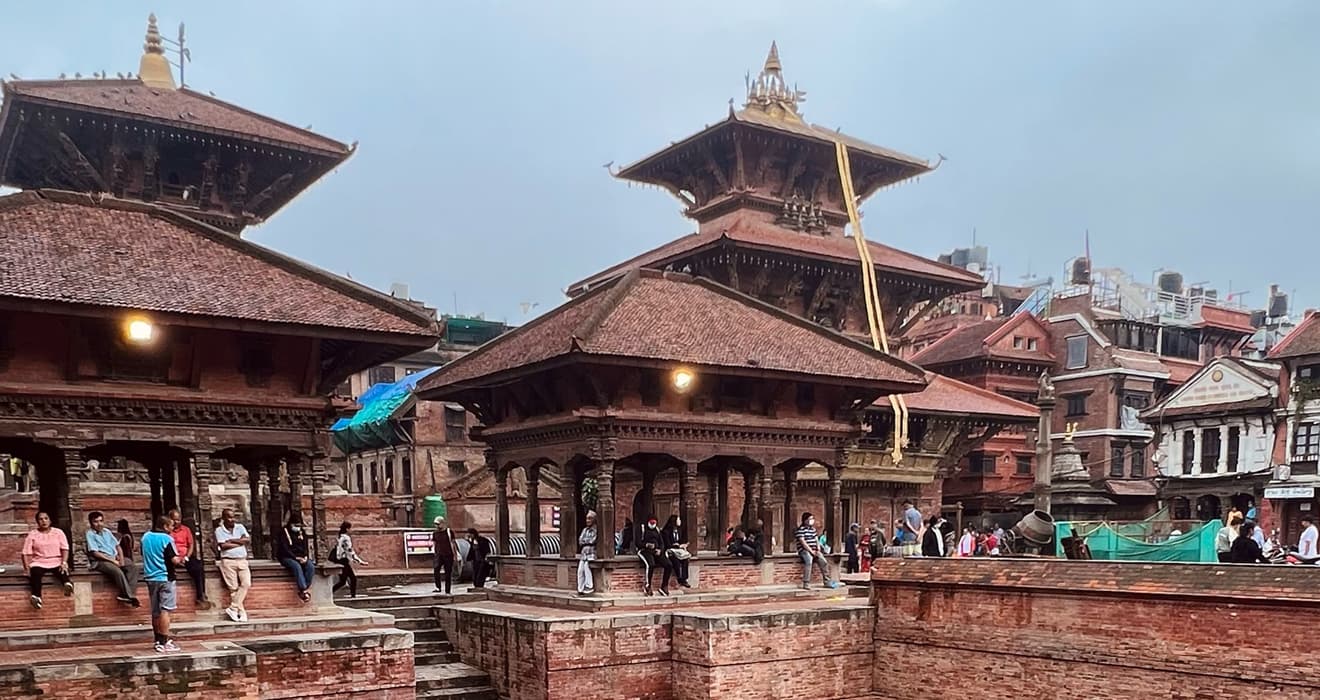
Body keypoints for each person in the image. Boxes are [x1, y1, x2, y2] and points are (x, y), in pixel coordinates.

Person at [142, 514, 184, 653]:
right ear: (165, 526)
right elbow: (174, 560)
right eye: (171, 525)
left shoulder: (146, 537)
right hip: (165, 577)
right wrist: (182, 558)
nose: (173, 528)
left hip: (150, 577)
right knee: (165, 610)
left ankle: (157, 639)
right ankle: (164, 641)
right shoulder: (167, 539)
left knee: (155, 611)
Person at [86, 511, 140, 606]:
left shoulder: (107, 532)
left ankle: (126, 594)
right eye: (96, 522)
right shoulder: (90, 534)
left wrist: (121, 560)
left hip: (114, 557)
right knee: (117, 571)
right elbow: (95, 553)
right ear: (91, 523)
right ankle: (130, 597)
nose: (99, 524)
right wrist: (113, 561)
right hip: (101, 560)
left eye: (101, 521)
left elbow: (118, 546)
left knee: (132, 567)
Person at [21, 511, 72, 609]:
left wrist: (64, 562)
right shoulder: (32, 534)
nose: (43, 521)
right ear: (37, 522)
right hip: (39, 561)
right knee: (35, 573)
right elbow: (25, 553)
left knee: (62, 570)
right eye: (41, 519)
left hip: (56, 560)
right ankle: (37, 597)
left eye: (46, 518)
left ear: (50, 520)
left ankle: (67, 584)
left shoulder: (58, 532)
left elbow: (65, 548)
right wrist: (26, 568)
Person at [215, 508, 252, 623]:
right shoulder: (219, 530)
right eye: (229, 517)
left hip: (242, 560)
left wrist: (232, 540)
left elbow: (247, 540)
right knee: (233, 588)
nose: (231, 520)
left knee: (246, 583)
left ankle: (233, 607)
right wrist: (239, 543)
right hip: (228, 561)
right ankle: (241, 612)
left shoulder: (240, 527)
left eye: (233, 517)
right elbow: (223, 546)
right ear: (224, 518)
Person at [167, 508, 205, 603]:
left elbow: (191, 545)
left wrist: (186, 557)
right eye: (174, 520)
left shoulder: (186, 530)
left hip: (185, 557)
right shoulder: (167, 531)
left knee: (198, 567)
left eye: (178, 520)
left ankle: (200, 595)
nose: (176, 522)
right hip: (172, 557)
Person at [275, 514, 316, 603]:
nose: (297, 528)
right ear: (291, 524)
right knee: (296, 567)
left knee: (310, 566)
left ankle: (305, 587)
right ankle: (303, 589)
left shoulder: (302, 533)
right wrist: (296, 558)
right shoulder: (283, 533)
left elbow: (305, 546)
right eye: (296, 525)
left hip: (301, 556)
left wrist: (305, 556)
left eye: (299, 526)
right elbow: (284, 548)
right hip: (287, 556)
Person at [795, 512, 840, 590]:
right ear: (805, 520)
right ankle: (806, 583)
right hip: (805, 550)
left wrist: (818, 548)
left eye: (812, 519)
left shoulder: (813, 529)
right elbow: (803, 542)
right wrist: (811, 551)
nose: (812, 520)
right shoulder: (800, 530)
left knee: (824, 562)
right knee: (809, 562)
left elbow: (816, 539)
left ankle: (827, 581)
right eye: (810, 519)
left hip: (815, 549)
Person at [332, 522, 368, 598]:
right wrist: (359, 561)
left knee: (342, 581)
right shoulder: (346, 538)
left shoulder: (340, 537)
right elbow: (350, 551)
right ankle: (353, 595)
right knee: (352, 578)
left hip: (339, 560)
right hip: (343, 560)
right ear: (347, 529)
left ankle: (330, 592)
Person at [637, 517, 669, 596]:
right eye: (651, 523)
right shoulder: (642, 529)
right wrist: (646, 545)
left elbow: (661, 543)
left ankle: (664, 586)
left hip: (656, 551)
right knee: (651, 564)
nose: (652, 525)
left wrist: (660, 550)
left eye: (654, 523)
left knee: (668, 565)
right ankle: (648, 586)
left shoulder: (657, 530)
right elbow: (637, 542)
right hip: (645, 551)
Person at [660, 515, 691, 592]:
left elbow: (682, 540)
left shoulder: (679, 531)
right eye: (678, 519)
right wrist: (674, 545)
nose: (679, 521)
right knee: (675, 561)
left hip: (679, 550)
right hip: (670, 551)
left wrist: (683, 545)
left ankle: (684, 578)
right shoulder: (666, 532)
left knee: (685, 560)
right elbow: (667, 544)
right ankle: (679, 578)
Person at [432, 516, 456, 594]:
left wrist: (455, 555)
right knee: (436, 570)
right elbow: (435, 544)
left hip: (448, 554)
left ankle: (447, 590)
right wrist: (435, 553)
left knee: (448, 573)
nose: (437, 526)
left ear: (443, 523)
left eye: (438, 524)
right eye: (435, 524)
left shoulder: (449, 532)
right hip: (439, 555)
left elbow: (453, 544)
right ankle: (438, 587)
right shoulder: (435, 533)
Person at [577, 511, 598, 596]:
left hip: (591, 553)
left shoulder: (596, 529)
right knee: (580, 571)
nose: (587, 520)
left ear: (594, 519)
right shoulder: (585, 530)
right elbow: (580, 541)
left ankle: (589, 586)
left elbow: (593, 540)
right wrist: (586, 541)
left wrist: (586, 541)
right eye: (587, 518)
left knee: (587, 567)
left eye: (590, 518)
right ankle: (580, 589)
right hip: (583, 554)